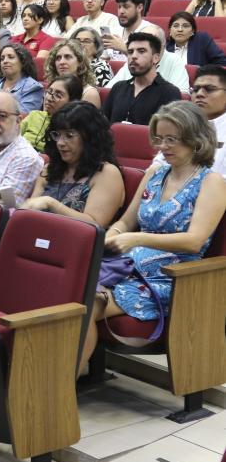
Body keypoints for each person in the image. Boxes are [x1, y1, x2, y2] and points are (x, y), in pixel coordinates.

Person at [80, 101, 226, 374]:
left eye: (172, 139)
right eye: (159, 139)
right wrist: (112, 236)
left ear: (196, 140)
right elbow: (126, 221)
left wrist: (136, 239)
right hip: (127, 266)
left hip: (171, 277)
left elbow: (195, 240)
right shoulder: (155, 174)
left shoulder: (212, 182)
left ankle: (60, 388)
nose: (163, 146)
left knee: (85, 305)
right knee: (70, 295)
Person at [21, 101, 124, 228]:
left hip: (77, 245)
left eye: (69, 135)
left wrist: (52, 204)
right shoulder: (49, 170)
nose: (60, 143)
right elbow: (31, 211)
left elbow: (94, 225)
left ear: (89, 137)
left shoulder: (106, 173)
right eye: (57, 135)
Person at [103, 32, 183, 124]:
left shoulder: (169, 92)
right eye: (130, 52)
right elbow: (103, 126)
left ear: (156, 58)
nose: (133, 56)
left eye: (141, 51)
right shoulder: (118, 87)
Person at [20, 76, 84, 151]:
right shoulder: (34, 115)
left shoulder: (72, 127)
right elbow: (13, 139)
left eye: (58, 95)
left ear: (72, 101)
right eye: (49, 92)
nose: (49, 98)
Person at [187, 65, 226, 176]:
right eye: (195, 89)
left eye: (209, 89)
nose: (199, 94)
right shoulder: (181, 124)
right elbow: (158, 165)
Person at [44, 38, 101, 106]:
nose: (61, 62)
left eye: (68, 57)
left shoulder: (89, 93)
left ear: (80, 62)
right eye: (58, 58)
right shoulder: (52, 89)